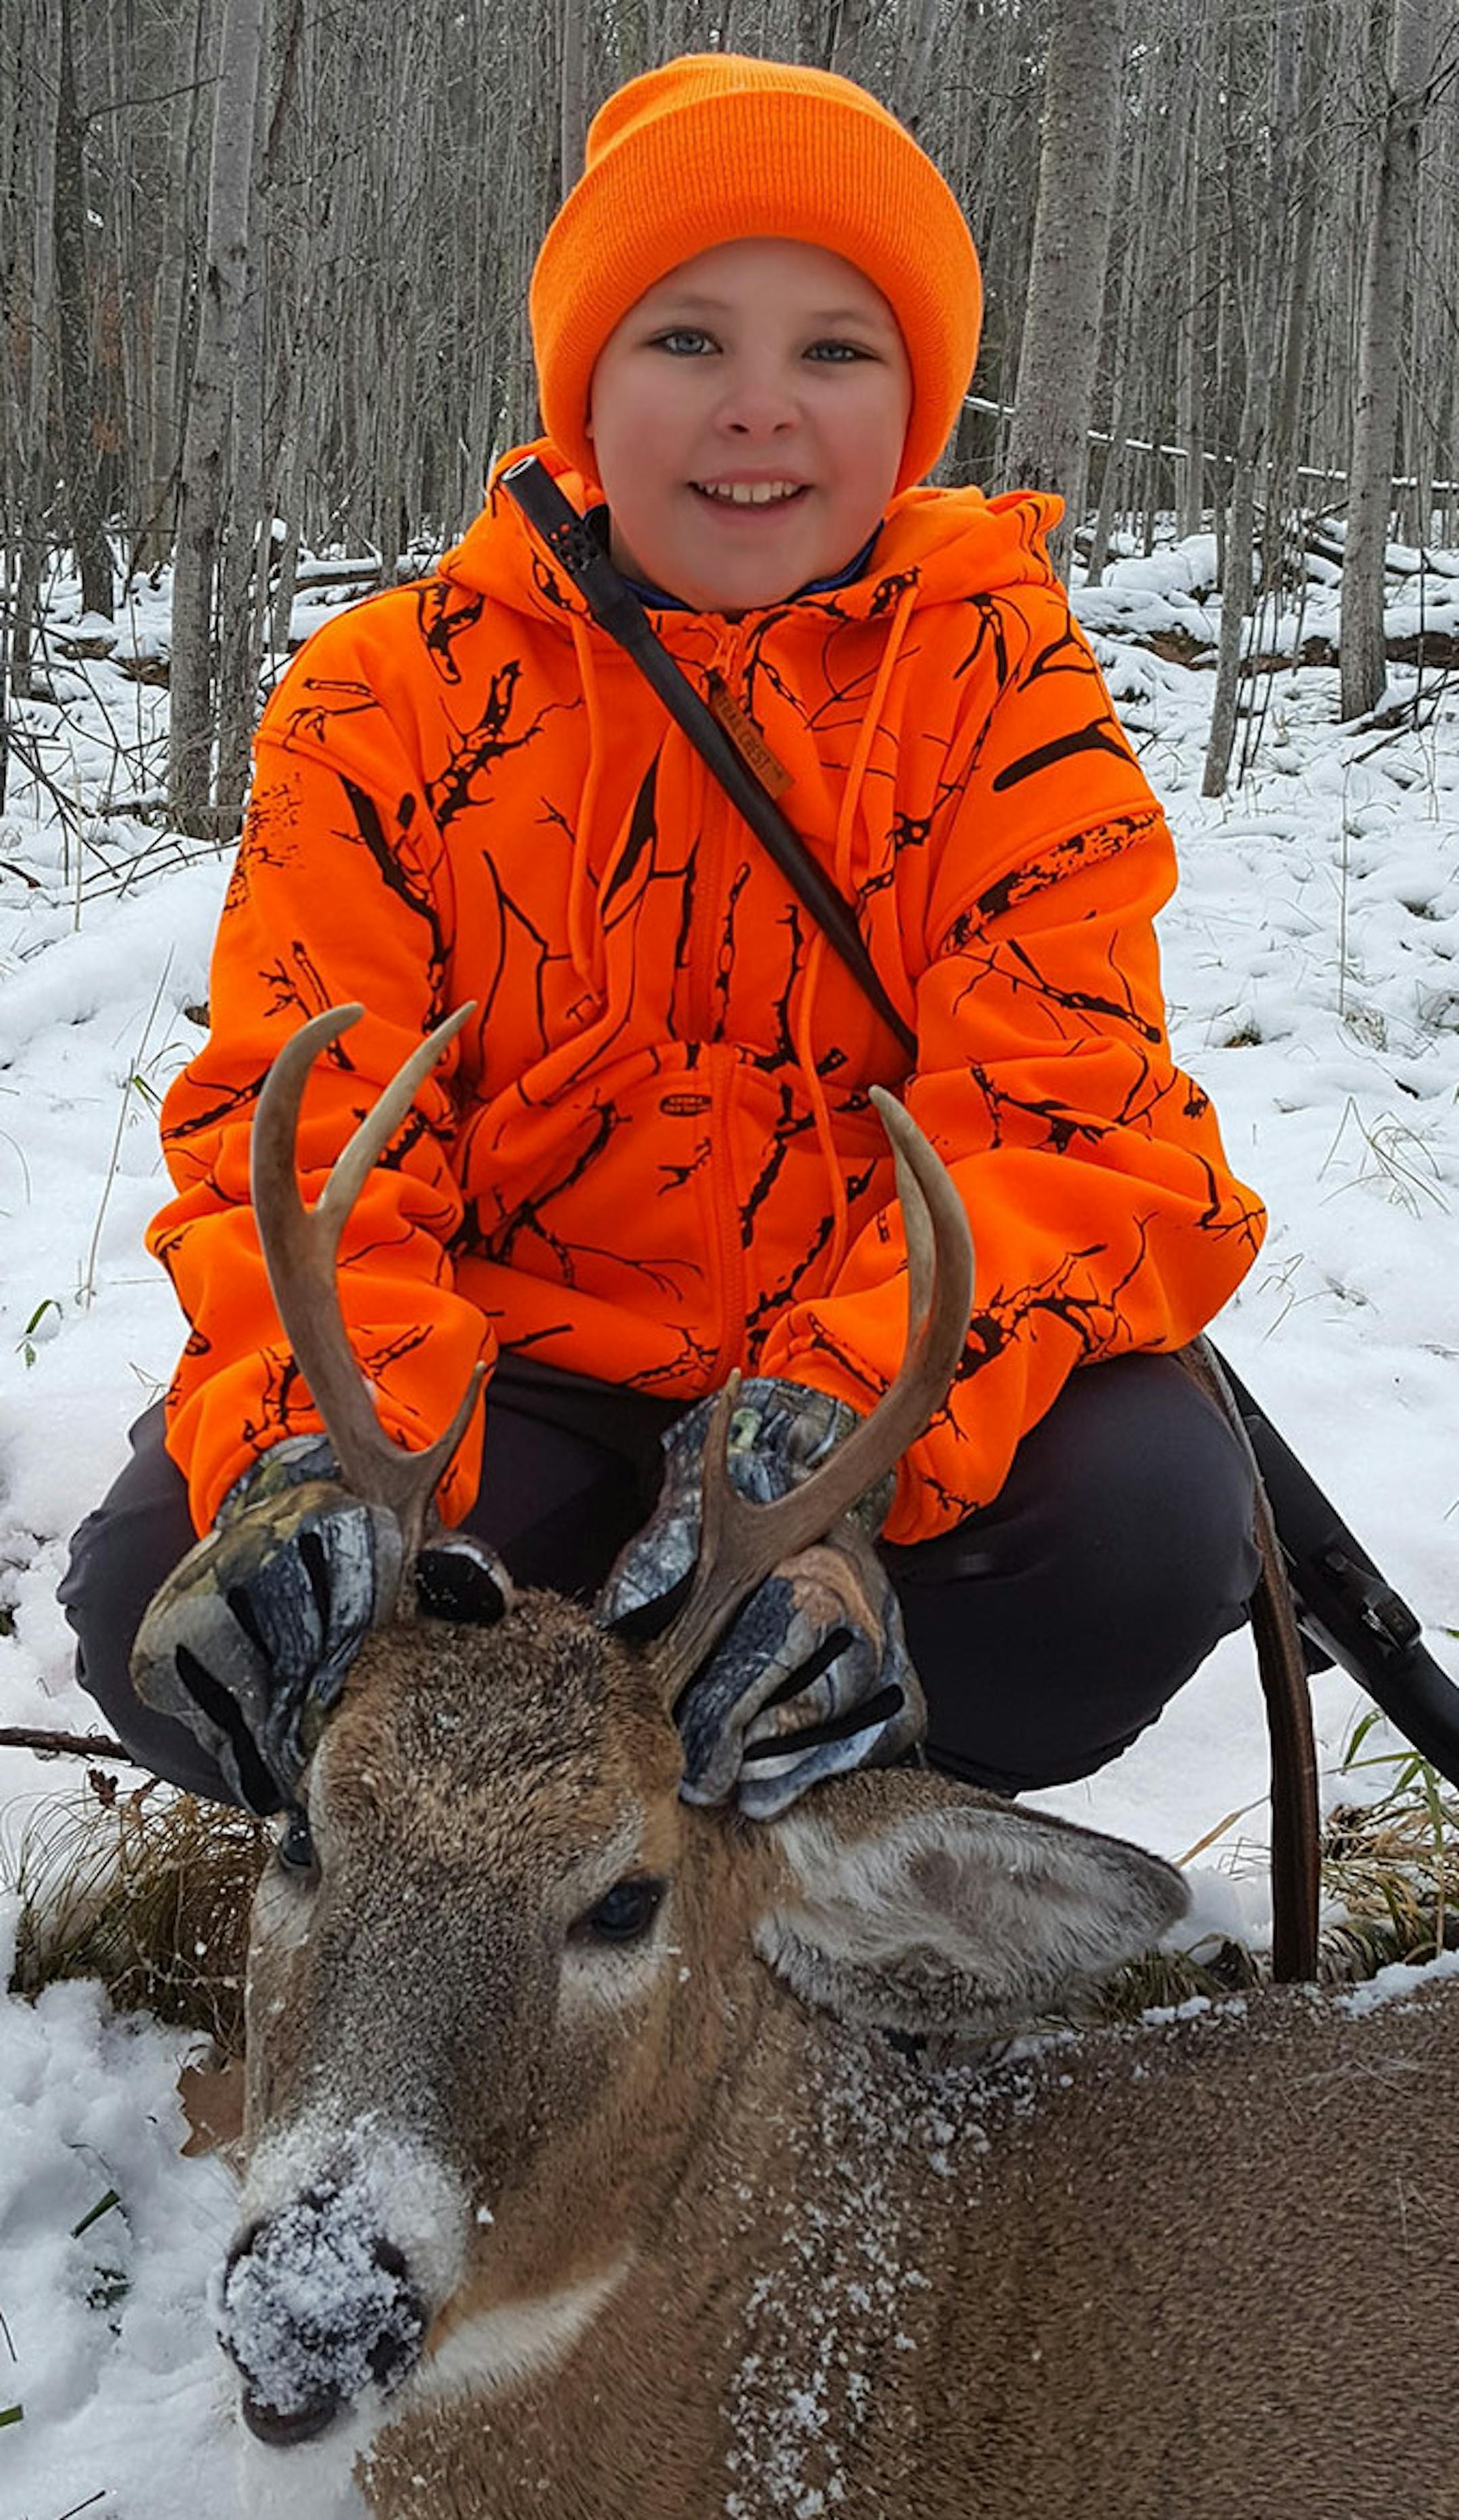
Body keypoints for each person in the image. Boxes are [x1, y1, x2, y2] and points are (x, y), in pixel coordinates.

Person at [60, 53, 1266, 1822]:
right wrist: (330, 1465)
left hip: (861, 1418)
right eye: (686, 339)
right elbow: (308, 1129)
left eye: (835, 350)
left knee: (1149, 1526)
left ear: (919, 402)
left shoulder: (999, 681)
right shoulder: (388, 701)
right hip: (512, 1388)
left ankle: (809, 1800)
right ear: (583, 390)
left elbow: (1067, 1119)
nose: (760, 408)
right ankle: (522, 1830)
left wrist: (825, 1458)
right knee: (161, 1601)